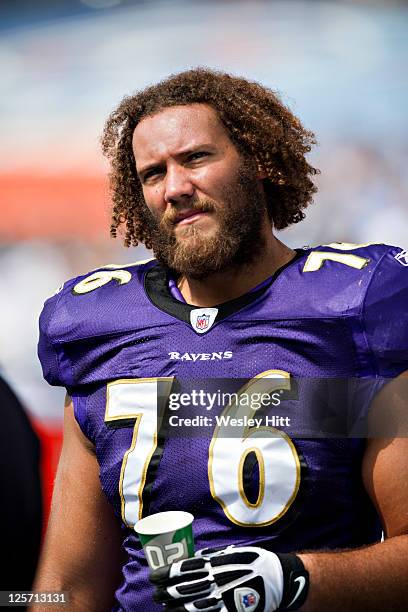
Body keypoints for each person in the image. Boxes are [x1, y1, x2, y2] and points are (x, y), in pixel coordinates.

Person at [35, 68, 408, 611]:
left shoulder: (350, 307)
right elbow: (67, 590)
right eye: (152, 173)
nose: (176, 188)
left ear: (259, 161)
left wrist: (298, 580)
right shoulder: (97, 322)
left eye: (196, 158)